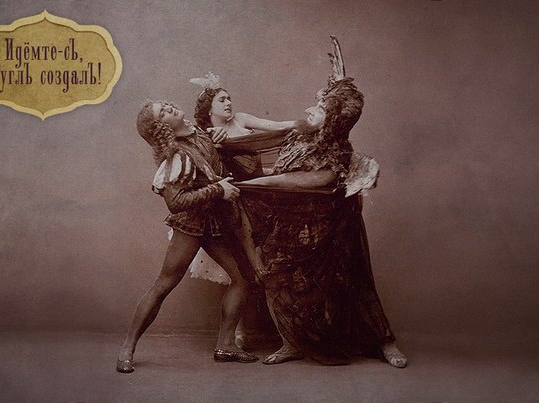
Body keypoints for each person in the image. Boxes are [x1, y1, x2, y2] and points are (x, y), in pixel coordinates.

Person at [238, 74, 407, 368]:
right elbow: (263, 150)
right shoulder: (298, 136)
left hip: (327, 230)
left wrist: (248, 185)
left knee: (352, 281)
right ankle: (291, 343)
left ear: (333, 122)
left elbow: (291, 181)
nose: (309, 110)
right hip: (287, 224)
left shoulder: (336, 155)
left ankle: (385, 342)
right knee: (275, 279)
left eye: (319, 108)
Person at [116, 100, 258, 373]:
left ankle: (225, 344)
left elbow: (209, 160)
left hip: (215, 221)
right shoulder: (177, 156)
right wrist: (218, 190)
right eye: (163, 112)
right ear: (162, 128)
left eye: (166, 104)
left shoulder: (198, 133)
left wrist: (217, 138)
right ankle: (127, 348)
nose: (169, 107)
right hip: (191, 225)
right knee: (165, 284)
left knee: (242, 279)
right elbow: (176, 202)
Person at [186, 73, 297, 348]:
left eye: (229, 98)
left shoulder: (242, 119)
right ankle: (239, 330)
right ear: (208, 109)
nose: (228, 103)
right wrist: (214, 144)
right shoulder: (205, 136)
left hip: (262, 196)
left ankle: (290, 334)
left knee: (268, 260)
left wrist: (306, 125)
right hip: (232, 203)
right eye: (222, 100)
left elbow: (276, 127)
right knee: (243, 267)